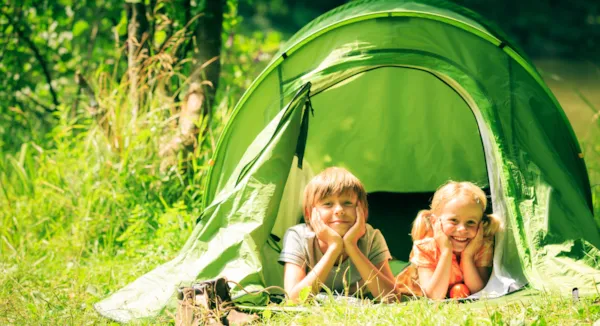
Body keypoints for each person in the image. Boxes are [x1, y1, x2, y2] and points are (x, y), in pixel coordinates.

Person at [278, 167, 396, 301]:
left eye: (347, 203)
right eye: (328, 204)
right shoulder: (297, 236)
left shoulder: (371, 237)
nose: (339, 210)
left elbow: (391, 297)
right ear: (309, 214)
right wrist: (334, 248)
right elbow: (294, 300)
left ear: (362, 210)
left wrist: (351, 246)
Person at [395, 181, 501, 300]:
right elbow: (434, 296)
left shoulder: (480, 245)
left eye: (471, 222)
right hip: (409, 291)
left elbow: (480, 291)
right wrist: (446, 251)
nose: (462, 229)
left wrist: (467, 256)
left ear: (480, 225)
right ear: (435, 222)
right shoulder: (426, 248)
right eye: (454, 220)